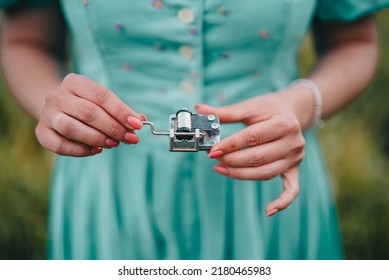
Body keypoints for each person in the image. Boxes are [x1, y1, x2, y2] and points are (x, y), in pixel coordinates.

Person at [1, 0, 388, 260]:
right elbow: (25, 40)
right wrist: (55, 108)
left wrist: (300, 104)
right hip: (110, 189)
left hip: (270, 190)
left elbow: (353, 41)